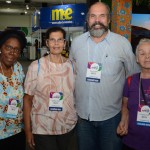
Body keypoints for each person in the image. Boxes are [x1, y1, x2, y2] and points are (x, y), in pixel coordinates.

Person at [69, 2, 140, 150]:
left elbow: (133, 79)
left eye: (102, 16)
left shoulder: (122, 44)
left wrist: (126, 113)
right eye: (93, 16)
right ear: (87, 19)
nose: (97, 21)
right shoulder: (76, 43)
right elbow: (72, 74)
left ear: (109, 20)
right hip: (82, 118)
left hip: (112, 118)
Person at [23, 26, 77, 150]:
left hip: (67, 127)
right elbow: (27, 99)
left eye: (60, 40)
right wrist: (28, 130)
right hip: (43, 128)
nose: (56, 44)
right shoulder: (36, 66)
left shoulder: (72, 66)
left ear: (65, 43)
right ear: (47, 43)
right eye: (52, 40)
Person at [117, 38, 150, 150]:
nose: (147, 57)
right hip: (131, 141)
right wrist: (123, 121)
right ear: (136, 58)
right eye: (142, 53)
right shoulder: (130, 80)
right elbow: (125, 106)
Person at [0, 29, 27, 150]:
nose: (12, 53)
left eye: (16, 50)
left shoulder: (18, 68)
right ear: (1, 47)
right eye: (8, 48)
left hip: (17, 131)